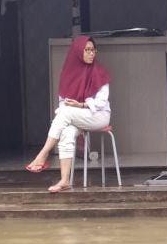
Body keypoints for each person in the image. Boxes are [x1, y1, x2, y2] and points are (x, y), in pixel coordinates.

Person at [25, 36, 111, 193]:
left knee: (65, 113)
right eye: (87, 50)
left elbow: (101, 102)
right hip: (75, 116)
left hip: (98, 116)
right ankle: (65, 181)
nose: (91, 54)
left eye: (93, 50)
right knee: (66, 132)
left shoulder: (100, 72)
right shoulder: (68, 74)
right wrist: (73, 109)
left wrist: (81, 105)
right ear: (78, 52)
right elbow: (63, 103)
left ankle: (43, 153)